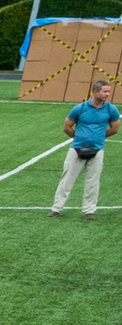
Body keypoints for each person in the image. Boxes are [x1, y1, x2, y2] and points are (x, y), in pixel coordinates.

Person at [52, 76, 115, 219]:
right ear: (95, 91)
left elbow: (115, 128)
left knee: (93, 181)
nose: (107, 94)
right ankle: (57, 208)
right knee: (67, 178)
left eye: (108, 92)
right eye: (105, 91)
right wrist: (79, 137)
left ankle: (89, 210)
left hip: (97, 150)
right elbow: (67, 126)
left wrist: (99, 137)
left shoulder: (111, 109)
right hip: (76, 149)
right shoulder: (79, 108)